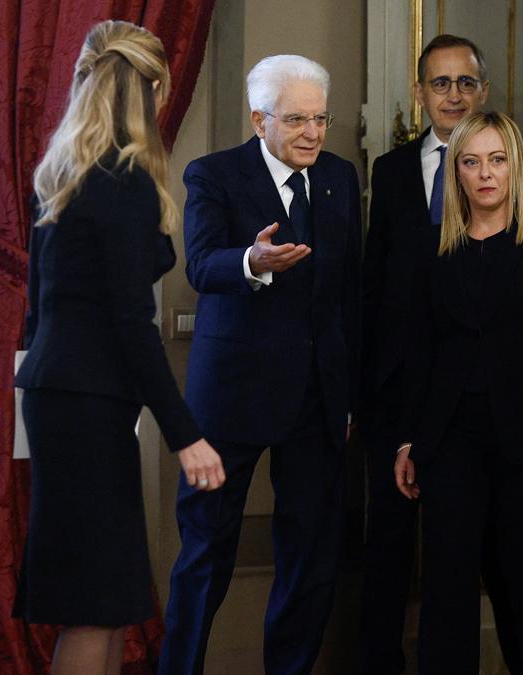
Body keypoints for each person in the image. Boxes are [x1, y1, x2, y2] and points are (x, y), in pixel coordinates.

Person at [13, 22, 223, 675]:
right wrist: (186, 435)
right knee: (95, 600)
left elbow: (38, 304)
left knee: (108, 595)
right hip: (90, 405)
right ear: (153, 90)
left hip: (60, 398)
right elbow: (132, 324)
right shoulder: (124, 180)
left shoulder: (67, 173)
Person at [161, 54, 361, 675]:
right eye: (297, 119)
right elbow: (198, 266)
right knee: (206, 556)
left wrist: (348, 395)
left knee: (309, 559)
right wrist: (251, 262)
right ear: (259, 120)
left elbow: (349, 292)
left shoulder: (339, 177)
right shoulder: (213, 174)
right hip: (233, 399)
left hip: (317, 400)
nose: (312, 133)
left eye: (321, 119)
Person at [359, 33, 523, 674]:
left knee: (512, 560)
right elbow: (376, 285)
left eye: (465, 83)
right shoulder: (390, 173)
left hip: (499, 401)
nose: (453, 95)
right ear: (420, 94)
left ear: (483, 90)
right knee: (394, 549)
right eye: (440, 84)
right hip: (406, 391)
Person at [393, 112, 523, 674]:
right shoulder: (429, 247)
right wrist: (407, 441)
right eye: (472, 161)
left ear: (516, 169)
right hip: (449, 437)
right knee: (447, 584)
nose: (486, 174)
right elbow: (420, 354)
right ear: (456, 171)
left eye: (497, 160)